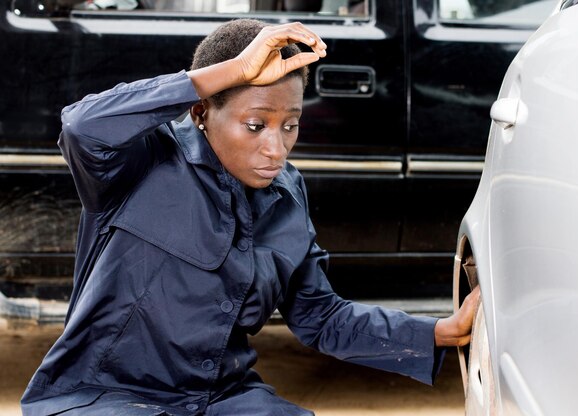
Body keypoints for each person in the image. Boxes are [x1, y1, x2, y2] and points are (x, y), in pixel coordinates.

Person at [21, 18, 480, 416]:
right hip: (103, 398)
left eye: (290, 125)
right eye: (256, 125)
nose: (276, 149)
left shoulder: (286, 194)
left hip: (220, 398)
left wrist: (440, 331)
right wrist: (227, 72)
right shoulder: (141, 161)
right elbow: (81, 125)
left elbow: (321, 317)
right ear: (202, 112)